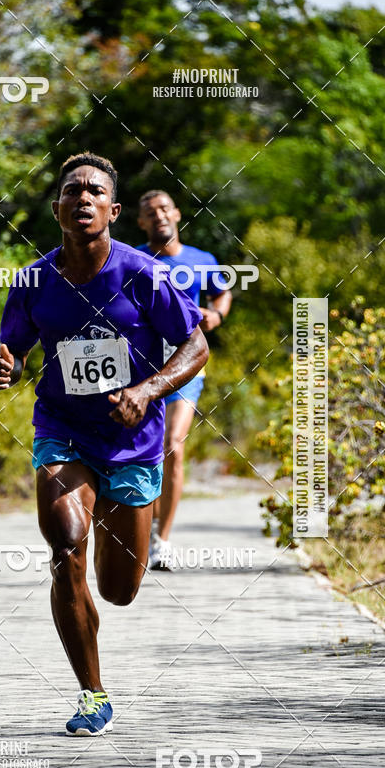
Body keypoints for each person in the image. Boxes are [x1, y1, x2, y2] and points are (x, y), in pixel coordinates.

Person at [0, 154, 208, 736]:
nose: (83, 197)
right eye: (72, 190)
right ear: (57, 207)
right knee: (65, 547)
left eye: (95, 191)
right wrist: (3, 365)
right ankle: (92, 694)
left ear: (113, 210)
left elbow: (196, 347)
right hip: (63, 429)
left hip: (133, 441)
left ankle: (113, 526)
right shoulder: (33, 281)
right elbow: (14, 349)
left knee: (119, 590)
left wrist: (148, 389)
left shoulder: (145, 274)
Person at [137, 190, 232, 571]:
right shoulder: (134, 260)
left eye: (164, 208)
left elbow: (222, 293)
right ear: (141, 222)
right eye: (150, 212)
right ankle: (143, 525)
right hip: (141, 369)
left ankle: (161, 540)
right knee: (144, 452)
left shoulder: (201, 259)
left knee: (173, 446)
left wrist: (216, 316)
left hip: (186, 367)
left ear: (176, 213)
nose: (159, 215)